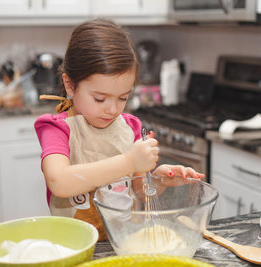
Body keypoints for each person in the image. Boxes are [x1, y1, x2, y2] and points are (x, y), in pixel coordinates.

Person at [34, 19, 205, 240]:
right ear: (70, 85)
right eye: (99, 98)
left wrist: (158, 180)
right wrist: (129, 162)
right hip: (76, 247)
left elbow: (137, 191)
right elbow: (60, 182)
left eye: (123, 97)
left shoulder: (129, 127)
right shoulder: (57, 128)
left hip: (126, 241)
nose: (112, 109)